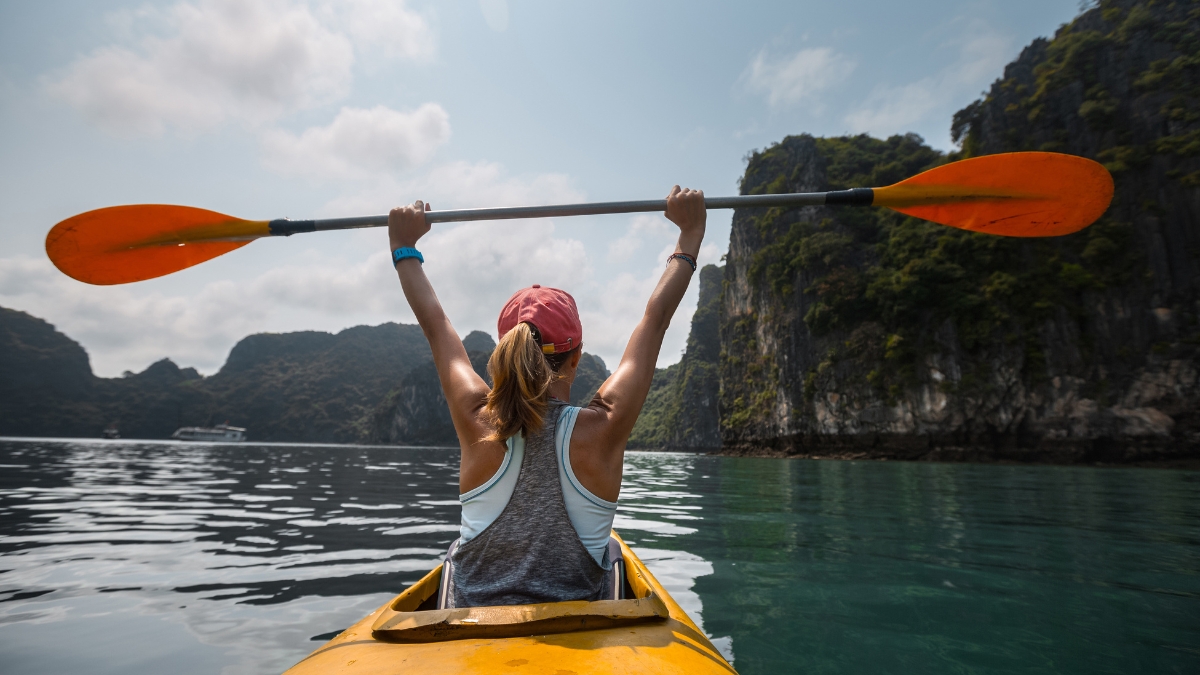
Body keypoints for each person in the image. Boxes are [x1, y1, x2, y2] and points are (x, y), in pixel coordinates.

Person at [389, 186, 706, 608]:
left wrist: (403, 246)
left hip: (470, 633)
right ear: (576, 359)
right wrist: (689, 236)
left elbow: (436, 324)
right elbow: (656, 319)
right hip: (576, 627)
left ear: (504, 352)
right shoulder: (604, 425)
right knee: (610, 552)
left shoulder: (476, 418)